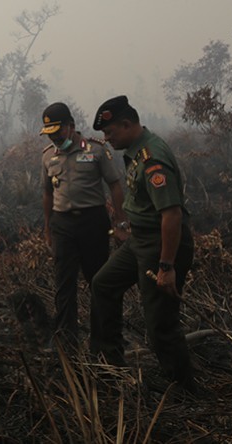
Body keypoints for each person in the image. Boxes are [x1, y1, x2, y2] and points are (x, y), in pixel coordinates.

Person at [90, 95, 198, 393]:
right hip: (140, 240)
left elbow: (172, 214)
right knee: (103, 284)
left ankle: (184, 388)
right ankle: (111, 362)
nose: (107, 140)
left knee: (160, 325)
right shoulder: (135, 150)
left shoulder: (152, 157)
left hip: (160, 244)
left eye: (110, 133)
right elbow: (142, 202)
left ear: (127, 125)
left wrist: (166, 266)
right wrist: (126, 225)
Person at [40, 102, 127, 349]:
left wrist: (120, 221)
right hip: (62, 225)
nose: (55, 137)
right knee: (63, 285)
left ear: (71, 126)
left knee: (98, 281)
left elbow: (115, 185)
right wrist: (48, 228)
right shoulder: (48, 155)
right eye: (50, 133)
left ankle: (103, 343)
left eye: (58, 131)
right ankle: (67, 344)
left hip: (93, 223)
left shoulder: (96, 151)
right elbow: (47, 193)